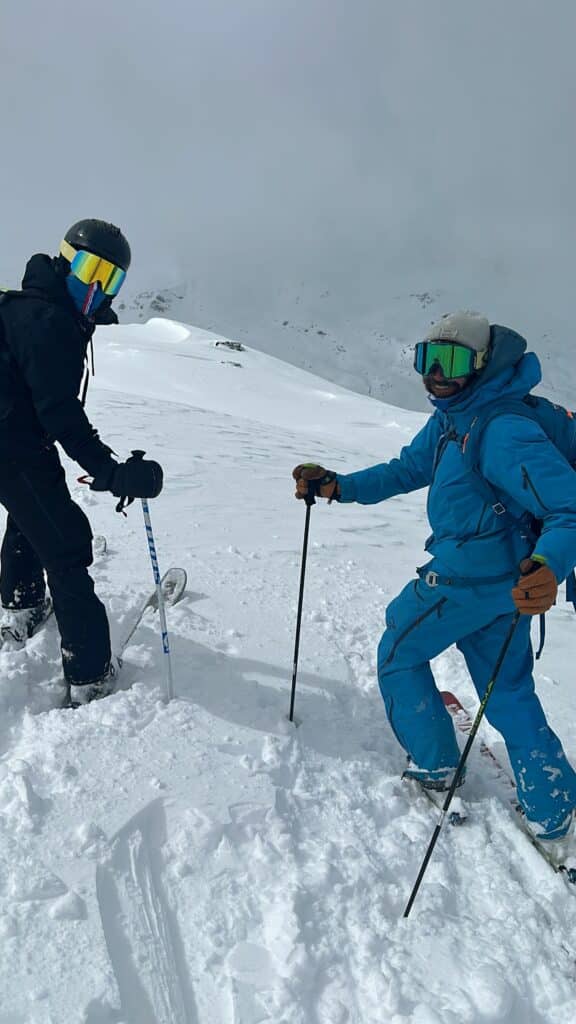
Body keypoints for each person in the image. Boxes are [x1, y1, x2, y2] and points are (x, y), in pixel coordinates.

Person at [293, 311, 576, 845]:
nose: (437, 375)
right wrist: (338, 487)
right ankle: (553, 805)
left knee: (399, 649)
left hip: (465, 583)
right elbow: (406, 469)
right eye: (429, 360)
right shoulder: (456, 417)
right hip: (506, 589)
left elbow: (569, 508)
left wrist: (551, 565)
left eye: (453, 362)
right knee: (509, 690)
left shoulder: (503, 429)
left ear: (484, 366)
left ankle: (437, 764)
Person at [0, 219, 163, 706]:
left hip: (16, 441)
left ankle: (22, 601)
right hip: (12, 445)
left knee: (35, 513)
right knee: (68, 544)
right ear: (67, 260)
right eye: (91, 268)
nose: (96, 286)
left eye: (110, 279)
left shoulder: (32, 308)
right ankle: (91, 674)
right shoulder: (49, 321)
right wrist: (113, 473)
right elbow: (62, 414)